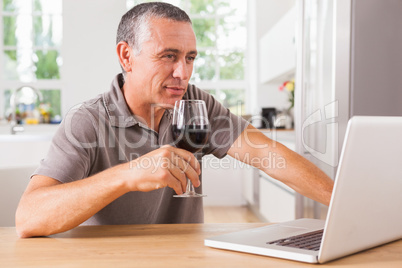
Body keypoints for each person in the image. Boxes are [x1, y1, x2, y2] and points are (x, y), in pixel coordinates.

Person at [15, 2, 333, 238]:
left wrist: (343, 202)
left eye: (190, 58)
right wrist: (127, 175)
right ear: (126, 55)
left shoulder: (195, 103)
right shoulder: (87, 121)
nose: (182, 73)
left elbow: (267, 154)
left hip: (185, 256)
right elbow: (29, 217)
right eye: (168, 56)